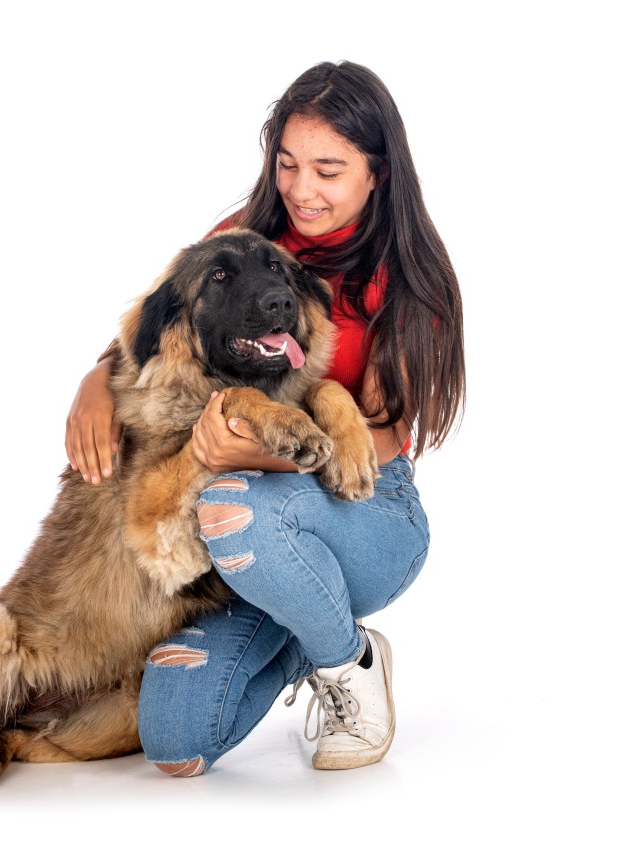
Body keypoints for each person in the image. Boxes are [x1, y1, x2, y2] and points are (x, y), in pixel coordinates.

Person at [65, 61, 465, 775]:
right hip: (247, 525)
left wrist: (255, 457)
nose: (302, 189)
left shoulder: (410, 279)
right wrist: (96, 379)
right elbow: (164, 324)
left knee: (231, 500)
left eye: (328, 170)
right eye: (287, 164)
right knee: (173, 741)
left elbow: (378, 437)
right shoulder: (246, 235)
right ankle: (300, 620)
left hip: (367, 505)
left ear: (377, 172)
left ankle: (348, 660)